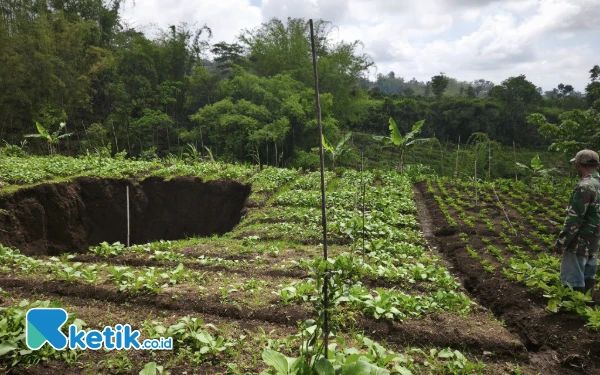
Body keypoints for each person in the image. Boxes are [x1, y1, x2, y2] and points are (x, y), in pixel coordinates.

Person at [554, 149, 600, 296]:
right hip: (594, 243)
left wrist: (562, 242)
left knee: (572, 280)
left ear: (578, 165)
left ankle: (571, 314)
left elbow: (574, 219)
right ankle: (584, 311)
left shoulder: (585, 186)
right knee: (588, 276)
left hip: (578, 244)